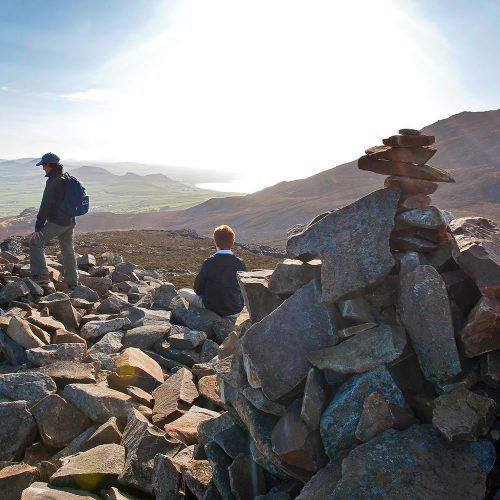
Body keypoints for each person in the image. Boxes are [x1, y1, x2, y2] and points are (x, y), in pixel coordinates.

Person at [29, 152, 79, 288]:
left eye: (44, 165)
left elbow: (45, 204)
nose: (42, 168)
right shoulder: (65, 177)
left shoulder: (53, 181)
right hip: (70, 221)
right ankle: (72, 282)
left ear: (49, 165)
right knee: (68, 249)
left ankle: (41, 275)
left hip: (59, 222)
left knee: (35, 242)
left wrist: (38, 226)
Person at [179, 225, 246, 318]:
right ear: (232, 242)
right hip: (235, 310)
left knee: (182, 292)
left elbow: (197, 289)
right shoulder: (240, 263)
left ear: (215, 242)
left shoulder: (209, 263)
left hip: (212, 308)